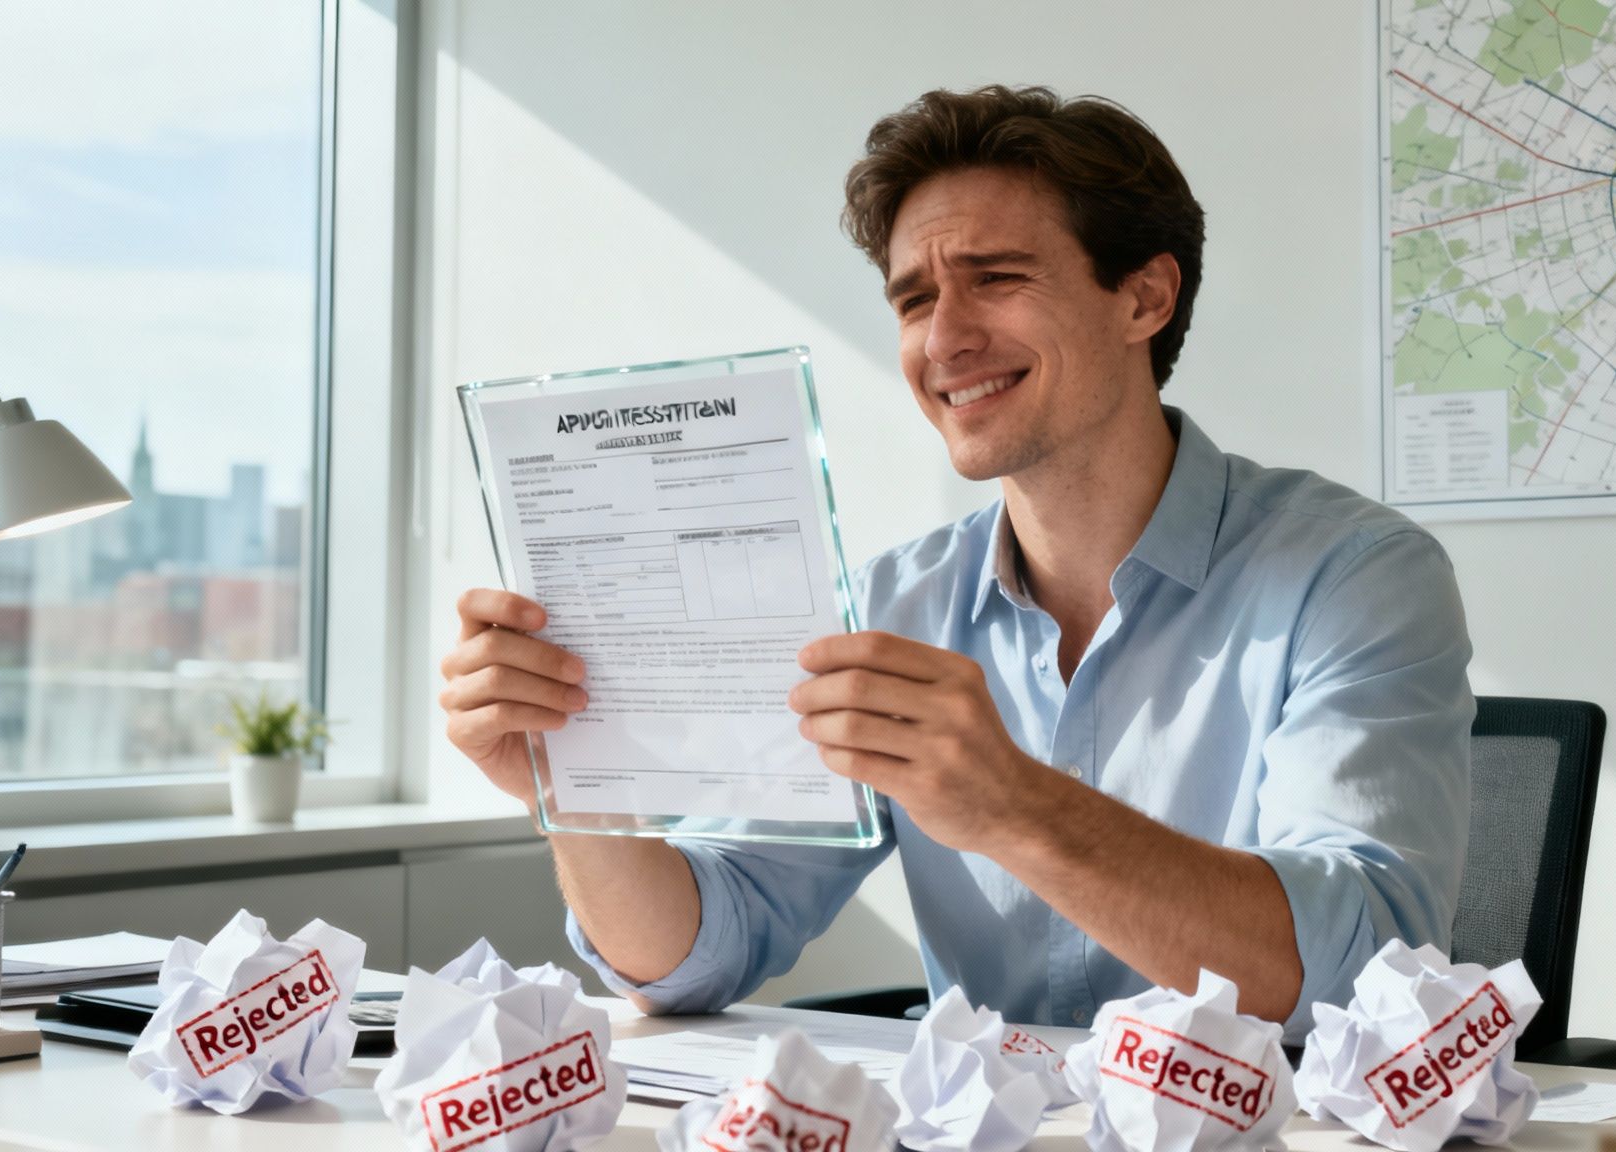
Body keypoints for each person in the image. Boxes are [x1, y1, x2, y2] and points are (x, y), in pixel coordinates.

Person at [438, 85, 1471, 1041]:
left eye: (996, 279)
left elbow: (1362, 975)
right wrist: (571, 787)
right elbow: (694, 954)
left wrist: (1014, 805)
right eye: (911, 300)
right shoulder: (892, 607)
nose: (944, 340)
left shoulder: (1354, 576)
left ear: (1143, 299)